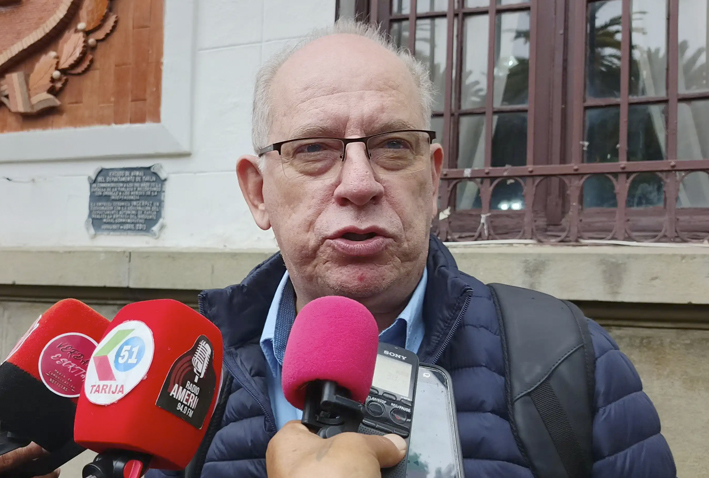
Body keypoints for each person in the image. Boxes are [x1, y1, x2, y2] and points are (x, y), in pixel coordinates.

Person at [147, 20, 676, 478]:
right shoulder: (182, 376)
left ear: (433, 177)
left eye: (394, 145)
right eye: (313, 149)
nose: (359, 184)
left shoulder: (567, 361)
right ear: (259, 193)